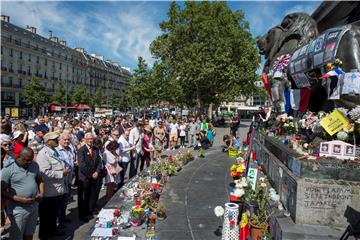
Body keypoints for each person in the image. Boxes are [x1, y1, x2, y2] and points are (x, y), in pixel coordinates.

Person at [1, 148, 44, 240]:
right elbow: (1, 191)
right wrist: (17, 198)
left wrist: (41, 193)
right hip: (18, 210)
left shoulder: (34, 165)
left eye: (31, 160)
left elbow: (40, 180)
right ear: (19, 157)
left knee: (29, 234)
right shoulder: (7, 170)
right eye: (27, 160)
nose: (29, 162)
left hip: (33, 206)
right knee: (17, 236)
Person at [36, 132, 68, 239]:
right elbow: (44, 172)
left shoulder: (53, 151)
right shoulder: (43, 154)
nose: (57, 140)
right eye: (54, 139)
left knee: (53, 213)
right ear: (48, 142)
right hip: (49, 190)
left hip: (57, 189)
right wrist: (61, 173)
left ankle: (53, 230)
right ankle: (45, 235)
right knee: (46, 215)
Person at [77, 132, 102, 221]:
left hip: (94, 176)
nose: (90, 141)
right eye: (88, 139)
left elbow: (99, 162)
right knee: (83, 197)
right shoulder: (81, 150)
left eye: (91, 139)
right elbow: (82, 165)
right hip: (84, 178)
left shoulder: (96, 149)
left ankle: (89, 211)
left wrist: (97, 172)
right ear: (84, 139)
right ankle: (82, 215)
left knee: (91, 195)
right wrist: (91, 174)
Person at [56, 132, 75, 227]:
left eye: (68, 140)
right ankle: (57, 223)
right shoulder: (56, 150)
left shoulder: (70, 149)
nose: (67, 141)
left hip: (69, 179)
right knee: (58, 203)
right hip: (61, 180)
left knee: (65, 201)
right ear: (60, 140)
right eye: (65, 140)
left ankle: (62, 218)